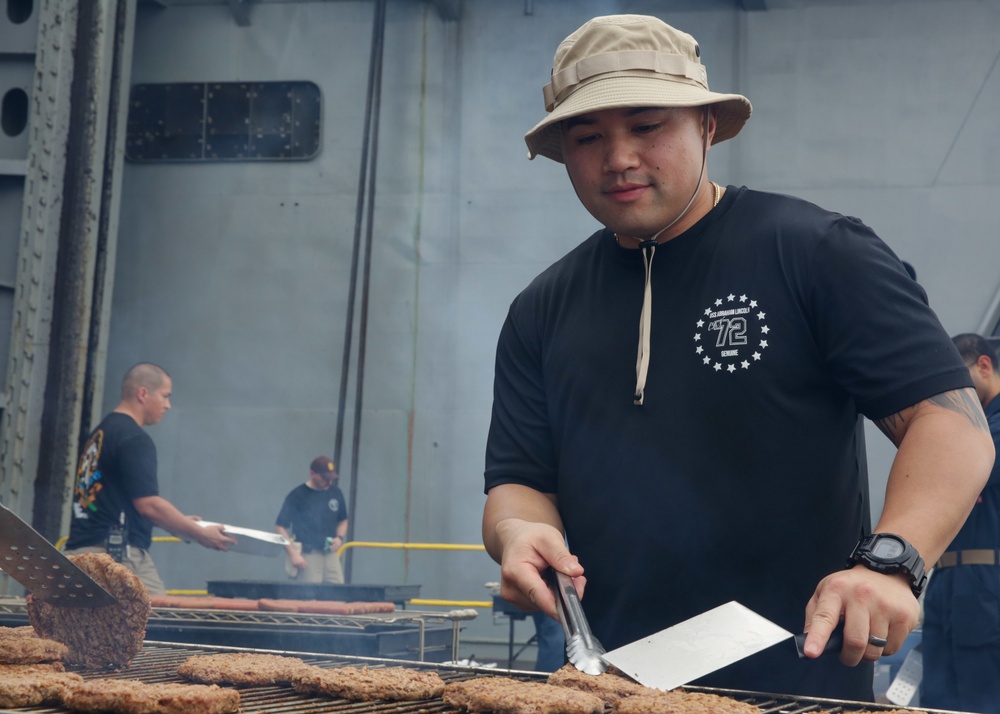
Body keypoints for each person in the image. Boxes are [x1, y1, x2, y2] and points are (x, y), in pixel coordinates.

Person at [481, 14, 994, 701]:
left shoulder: (816, 253)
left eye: (646, 125)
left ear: (706, 127)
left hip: (801, 683)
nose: (619, 157)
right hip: (612, 686)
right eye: (588, 137)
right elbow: (519, 482)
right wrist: (519, 533)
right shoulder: (539, 311)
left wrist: (890, 564)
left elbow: (952, 425)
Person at [64, 363, 236, 595]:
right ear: (143, 393)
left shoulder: (101, 433)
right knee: (160, 623)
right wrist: (201, 533)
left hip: (79, 555)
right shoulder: (135, 439)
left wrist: (180, 522)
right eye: (165, 396)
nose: (168, 405)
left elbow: (118, 502)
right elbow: (148, 505)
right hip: (117, 557)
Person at [921, 333, 1000, 713]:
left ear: (983, 366)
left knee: (982, 692)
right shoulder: (973, 427)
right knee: (937, 693)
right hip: (946, 579)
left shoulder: (988, 430)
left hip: (987, 580)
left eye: (958, 375)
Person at [275, 456, 349, 584]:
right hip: (308, 555)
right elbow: (280, 527)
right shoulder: (297, 495)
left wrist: (340, 538)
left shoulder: (336, 493)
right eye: (325, 478)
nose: (328, 483)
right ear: (312, 474)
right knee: (309, 598)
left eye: (330, 479)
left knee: (338, 595)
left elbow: (343, 520)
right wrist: (293, 554)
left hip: (331, 554)